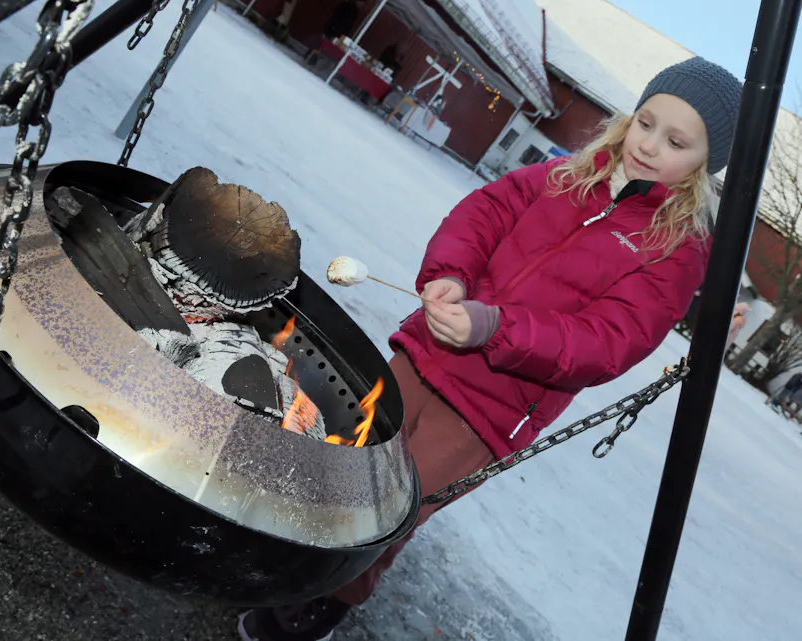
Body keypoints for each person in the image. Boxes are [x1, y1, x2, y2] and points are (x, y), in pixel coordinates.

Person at [238, 56, 742, 641]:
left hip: (487, 413)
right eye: (646, 122)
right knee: (340, 458)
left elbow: (608, 341)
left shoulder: (674, 250)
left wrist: (495, 328)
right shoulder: (566, 176)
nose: (649, 145)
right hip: (424, 356)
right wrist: (450, 275)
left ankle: (318, 609)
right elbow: (483, 214)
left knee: (386, 511)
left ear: (705, 163)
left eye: (676, 142)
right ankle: (284, 560)